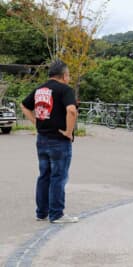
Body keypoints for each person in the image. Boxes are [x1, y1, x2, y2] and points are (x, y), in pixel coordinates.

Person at [21, 60, 79, 224]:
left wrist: (36, 122)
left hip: (42, 139)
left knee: (44, 176)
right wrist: (68, 131)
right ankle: (57, 214)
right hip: (59, 140)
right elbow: (71, 110)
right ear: (64, 75)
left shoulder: (40, 89)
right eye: (68, 75)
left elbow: (24, 106)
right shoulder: (65, 90)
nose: (69, 78)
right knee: (58, 177)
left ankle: (41, 212)